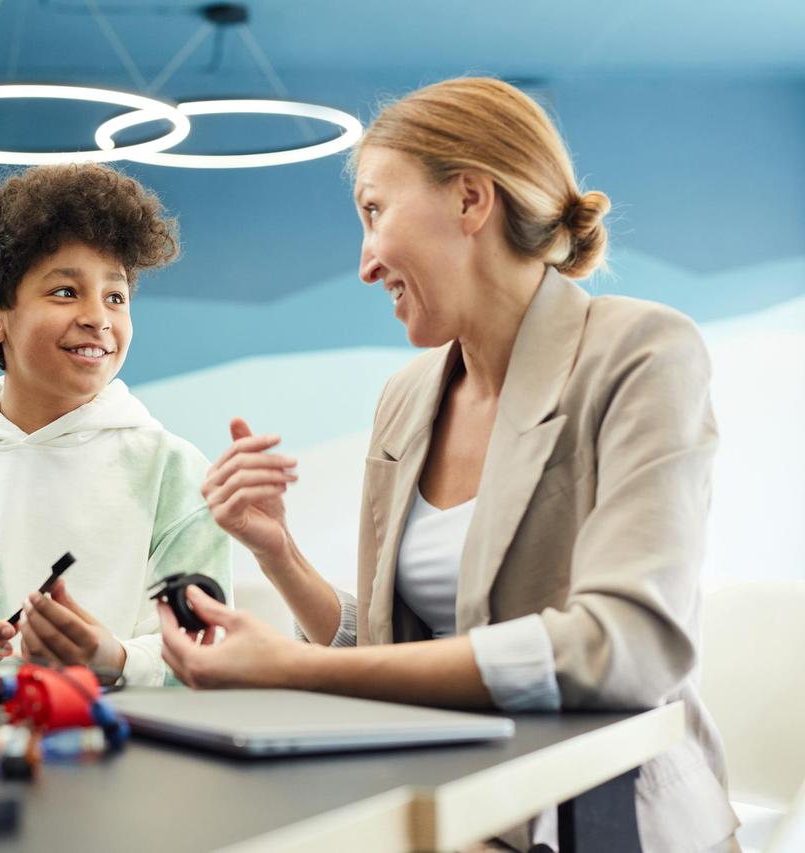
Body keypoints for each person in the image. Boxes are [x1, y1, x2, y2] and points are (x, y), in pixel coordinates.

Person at [159, 77, 738, 851]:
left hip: (604, 817)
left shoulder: (642, 352)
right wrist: (281, 554)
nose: (365, 264)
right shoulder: (406, 399)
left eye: (374, 211)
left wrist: (293, 667)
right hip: (455, 805)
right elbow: (398, 656)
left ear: (471, 199)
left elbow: (624, 646)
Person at [0, 163, 232, 687]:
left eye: (115, 297)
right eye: (65, 292)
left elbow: (205, 647)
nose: (98, 317)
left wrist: (115, 658)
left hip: (128, 749)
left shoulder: (174, 469)